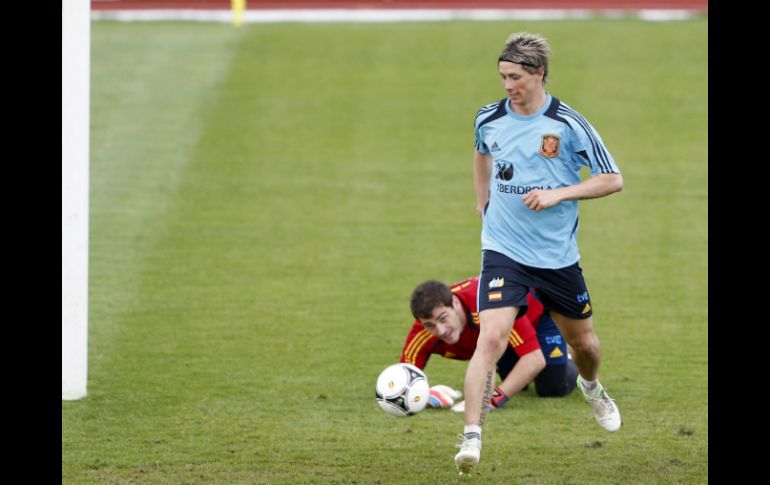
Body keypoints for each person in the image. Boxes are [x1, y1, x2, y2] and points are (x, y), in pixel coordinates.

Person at [454, 32, 624, 474]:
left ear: (539, 73)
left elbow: (612, 179)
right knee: (490, 338)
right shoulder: (488, 118)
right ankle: (471, 436)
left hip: (555, 258)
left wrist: (558, 195)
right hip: (502, 249)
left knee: (583, 343)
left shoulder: (568, 124)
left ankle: (591, 387)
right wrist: (481, 200)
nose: (507, 85)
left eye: (515, 77)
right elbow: (480, 152)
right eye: (503, 76)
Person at [400, 277, 577, 411]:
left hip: (540, 312)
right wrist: (424, 394)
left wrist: (492, 399)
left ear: (455, 303)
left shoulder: (489, 310)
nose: (440, 330)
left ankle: (574, 358)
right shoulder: (424, 330)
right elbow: (404, 378)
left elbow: (534, 359)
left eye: (443, 319)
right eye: (430, 325)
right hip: (507, 335)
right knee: (517, 382)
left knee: (551, 388)